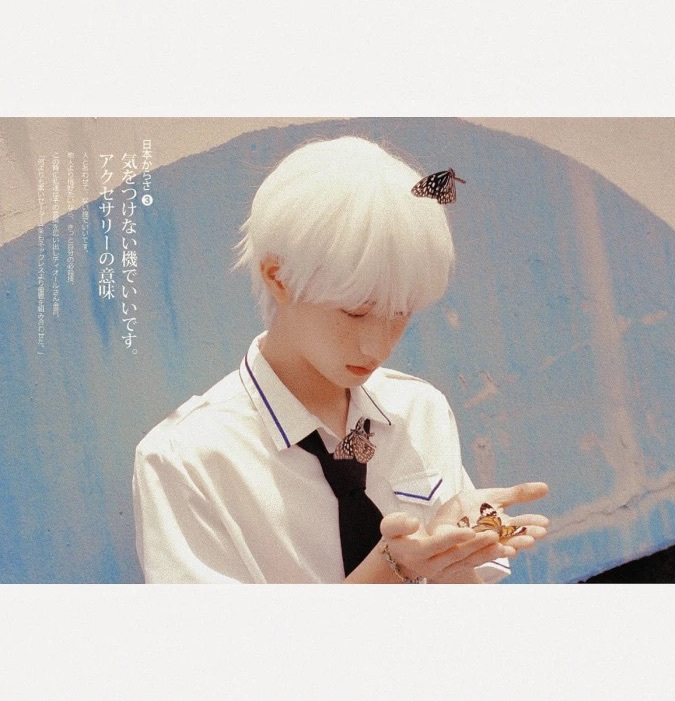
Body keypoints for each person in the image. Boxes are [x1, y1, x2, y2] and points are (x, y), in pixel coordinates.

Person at [132, 135, 549, 583]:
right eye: (355, 312)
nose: (378, 347)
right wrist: (393, 569)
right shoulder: (187, 460)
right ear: (278, 277)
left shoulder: (418, 410)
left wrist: (454, 562)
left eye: (401, 314)